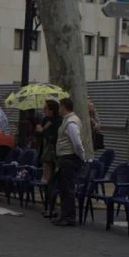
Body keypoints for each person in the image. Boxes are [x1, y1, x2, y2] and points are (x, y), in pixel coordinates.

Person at [53, 97, 85, 227]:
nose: (58, 109)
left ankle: (69, 217)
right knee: (63, 188)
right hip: (64, 158)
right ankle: (64, 215)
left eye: (60, 107)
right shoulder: (66, 120)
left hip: (69, 159)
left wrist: (81, 157)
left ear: (64, 107)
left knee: (68, 188)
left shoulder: (71, 123)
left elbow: (77, 143)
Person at [36, 99, 61, 217]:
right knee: (47, 181)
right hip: (45, 152)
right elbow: (40, 136)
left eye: (45, 109)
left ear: (52, 110)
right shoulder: (45, 120)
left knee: (53, 181)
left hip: (54, 154)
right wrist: (40, 130)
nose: (44, 111)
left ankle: (53, 207)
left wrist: (44, 130)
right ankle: (48, 206)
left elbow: (55, 137)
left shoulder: (58, 121)